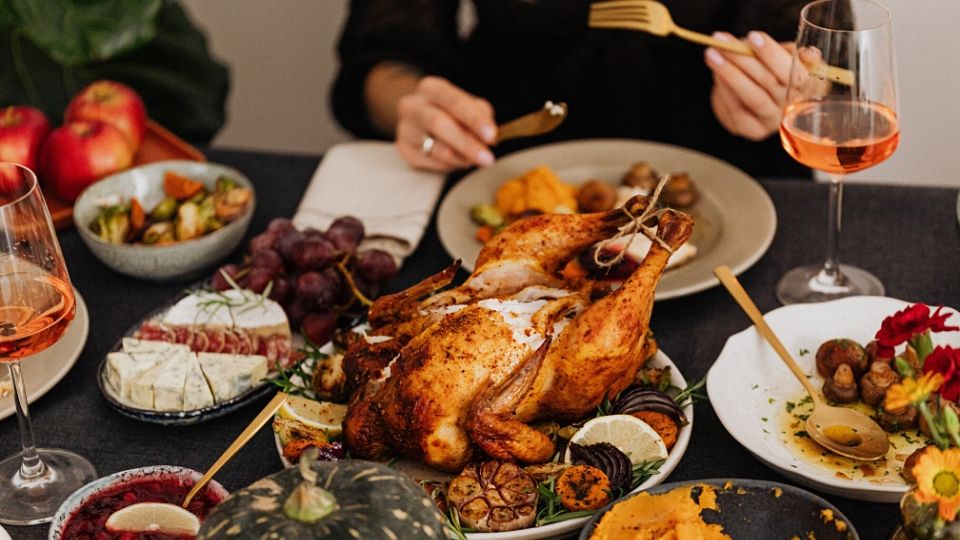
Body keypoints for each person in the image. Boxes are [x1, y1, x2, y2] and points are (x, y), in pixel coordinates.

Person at [332, 0, 811, 178]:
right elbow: (379, 58)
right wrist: (413, 107)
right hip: (502, 177)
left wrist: (780, 85)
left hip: (731, 185)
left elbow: (820, 49)